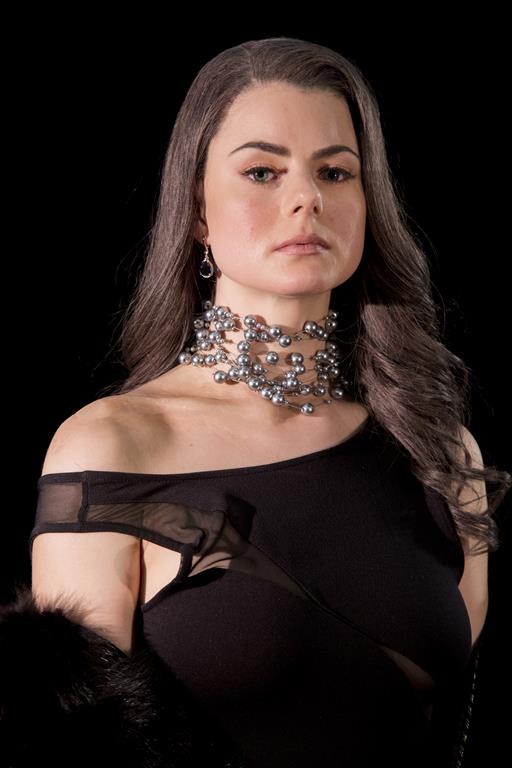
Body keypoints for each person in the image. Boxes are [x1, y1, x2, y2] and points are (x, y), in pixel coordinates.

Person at [1, 36, 511, 768]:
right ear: (197, 212)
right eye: (262, 172)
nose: (307, 198)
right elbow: (71, 756)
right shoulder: (112, 449)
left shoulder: (439, 451)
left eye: (335, 171)